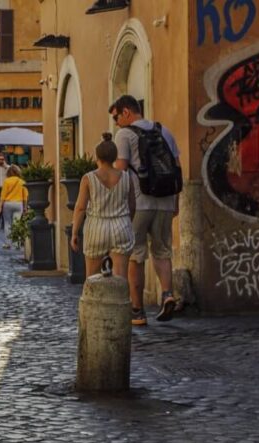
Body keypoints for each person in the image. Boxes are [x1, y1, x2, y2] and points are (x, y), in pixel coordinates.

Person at [111, 95, 182, 323]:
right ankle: (168, 295)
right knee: (162, 251)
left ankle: (137, 310)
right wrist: (175, 203)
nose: (116, 122)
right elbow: (177, 168)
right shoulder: (165, 131)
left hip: (139, 202)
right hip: (165, 200)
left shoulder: (124, 134)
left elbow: (121, 170)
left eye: (116, 117)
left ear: (126, 113)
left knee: (136, 255)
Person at [71, 134, 137, 301]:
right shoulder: (126, 177)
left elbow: (80, 208)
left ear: (97, 157)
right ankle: (120, 317)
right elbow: (132, 206)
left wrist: (74, 233)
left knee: (91, 278)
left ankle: (93, 318)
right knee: (121, 279)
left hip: (96, 227)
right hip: (121, 225)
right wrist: (127, 222)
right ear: (115, 157)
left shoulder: (88, 178)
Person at [0, 165, 28, 249]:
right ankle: (16, 243)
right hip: (18, 204)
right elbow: (25, 196)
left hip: (8, 204)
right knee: (16, 224)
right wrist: (25, 207)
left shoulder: (6, 181)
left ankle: (7, 243)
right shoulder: (22, 182)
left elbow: (3, 195)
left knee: (7, 223)